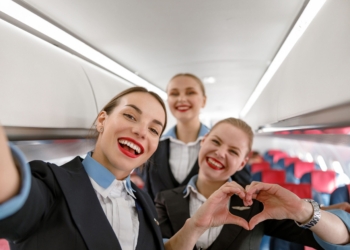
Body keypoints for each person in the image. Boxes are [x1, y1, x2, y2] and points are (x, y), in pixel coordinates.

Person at [0, 87, 249, 250]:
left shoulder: (144, 203)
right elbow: (10, 191)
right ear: (102, 120)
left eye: (154, 129)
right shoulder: (51, 183)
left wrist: (196, 225)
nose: (141, 131)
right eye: (130, 116)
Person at [155, 118, 350, 250]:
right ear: (203, 142)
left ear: (242, 163)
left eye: (233, 151)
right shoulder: (165, 198)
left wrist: (301, 209)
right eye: (215, 142)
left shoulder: (255, 204)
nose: (221, 153)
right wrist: (195, 226)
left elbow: (340, 242)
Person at [141, 73, 251, 201]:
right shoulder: (153, 146)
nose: (181, 99)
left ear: (204, 100)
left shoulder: (225, 149)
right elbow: (148, 196)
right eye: (174, 94)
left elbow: (243, 194)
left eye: (190, 92)